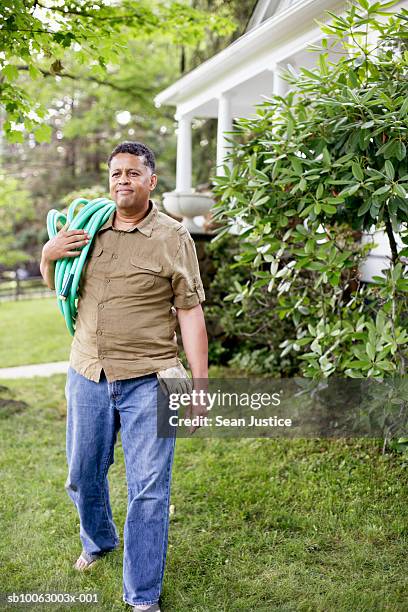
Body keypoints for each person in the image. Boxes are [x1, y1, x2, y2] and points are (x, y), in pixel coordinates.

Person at [40, 141, 208, 611]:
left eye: (133, 173)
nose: (122, 181)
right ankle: (98, 540)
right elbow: (59, 284)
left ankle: (142, 597)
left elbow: (191, 314)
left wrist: (198, 386)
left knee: (150, 490)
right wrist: (49, 254)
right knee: (81, 476)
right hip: (89, 371)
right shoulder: (89, 228)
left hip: (155, 378)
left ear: (152, 181)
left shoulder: (174, 237)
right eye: (116, 173)